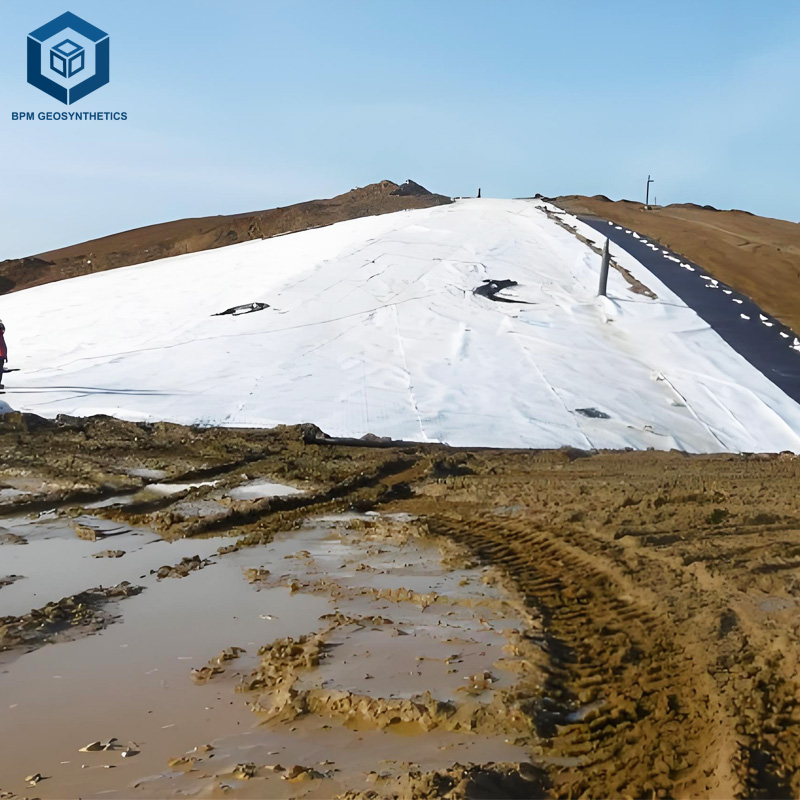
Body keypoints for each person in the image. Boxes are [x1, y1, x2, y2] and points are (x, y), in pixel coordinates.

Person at [0, 320, 6, 390]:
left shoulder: (1, 336)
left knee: (0, 371)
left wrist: (5, 356)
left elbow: (3, 347)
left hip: (2, 356)